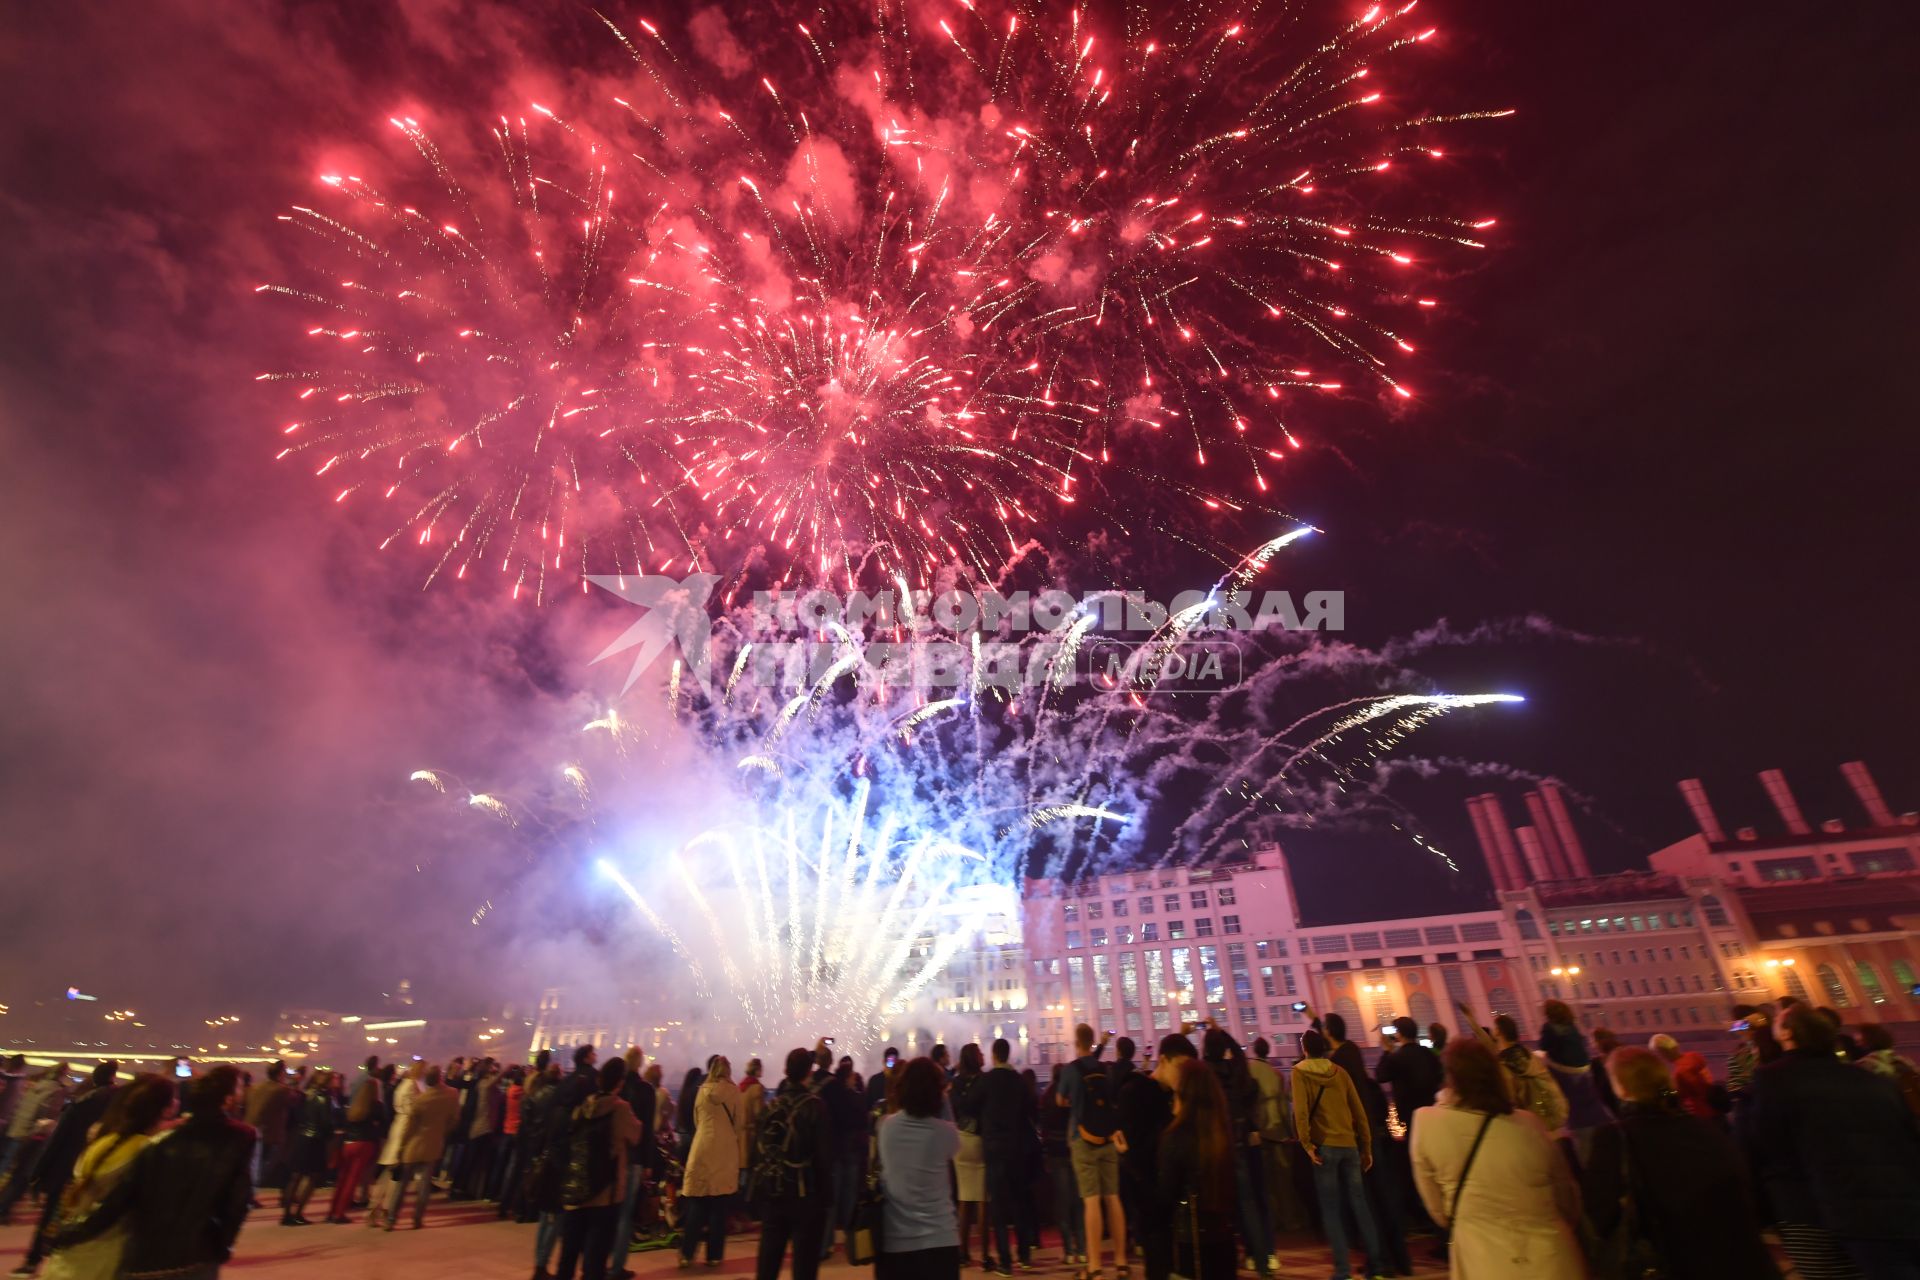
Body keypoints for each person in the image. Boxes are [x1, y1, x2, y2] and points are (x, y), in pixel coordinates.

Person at [1739, 1003, 1920, 1277]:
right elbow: (1908, 1139)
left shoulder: (1771, 1081)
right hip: (1901, 1208)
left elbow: (1765, 1149)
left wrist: (1761, 1212)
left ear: (1788, 1034)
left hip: (1815, 1211)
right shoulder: (1872, 1080)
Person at [1582, 1045, 1778, 1278]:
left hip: (1677, 1263)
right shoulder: (1702, 1127)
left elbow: (1598, 1212)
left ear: (1622, 1089)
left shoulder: (1615, 1138)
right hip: (1744, 1259)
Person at [47, 1065, 255, 1280]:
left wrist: (70, 1234)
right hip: (195, 1255)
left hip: (142, 1257)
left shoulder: (156, 1143)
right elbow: (238, 1202)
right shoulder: (239, 1137)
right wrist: (222, 1246)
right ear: (228, 1099)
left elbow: (118, 1201)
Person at [1410, 1039, 1583, 1280]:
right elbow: (1566, 1198)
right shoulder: (1530, 1124)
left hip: (1482, 1258)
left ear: (1450, 1076)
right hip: (1551, 1257)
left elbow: (1438, 1209)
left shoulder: (1426, 1123)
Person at [38, 1073, 173, 1280]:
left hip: (70, 1248)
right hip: (106, 1249)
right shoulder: (146, 1150)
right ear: (164, 1109)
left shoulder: (103, 1142)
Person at [1292, 1030, 1387, 1280]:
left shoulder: (1299, 1072)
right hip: (1349, 1146)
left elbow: (1300, 1112)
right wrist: (1365, 1147)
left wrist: (1307, 1145)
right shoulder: (1340, 1072)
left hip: (1324, 1147)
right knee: (1360, 1206)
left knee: (1331, 1210)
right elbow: (1358, 1110)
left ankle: (1342, 1271)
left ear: (1304, 1049)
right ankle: (1375, 1267)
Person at [8, 1061, 118, 1274]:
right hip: (93, 1170)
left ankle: (33, 1261)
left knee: (51, 1215)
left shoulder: (80, 1103)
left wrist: (38, 1173)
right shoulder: (117, 1104)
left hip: (67, 1168)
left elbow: (57, 1141)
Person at [554, 1057, 640, 1280]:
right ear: (620, 1082)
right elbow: (635, 1135)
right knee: (596, 1258)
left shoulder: (584, 1106)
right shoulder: (620, 1108)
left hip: (578, 1186)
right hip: (605, 1191)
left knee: (568, 1253)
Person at [750, 1047, 833, 1280]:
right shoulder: (815, 1106)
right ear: (809, 1072)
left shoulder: (770, 1107)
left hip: (773, 1192)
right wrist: (827, 1198)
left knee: (768, 1262)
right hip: (805, 1194)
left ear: (786, 1071)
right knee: (804, 1265)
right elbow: (824, 1158)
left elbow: (756, 1151)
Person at [875, 1057, 961, 1280]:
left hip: (896, 1240)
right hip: (941, 1239)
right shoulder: (945, 1133)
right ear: (938, 1092)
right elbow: (953, 1137)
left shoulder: (886, 1127)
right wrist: (944, 1102)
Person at [1156, 1057, 1240, 1280]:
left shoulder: (1175, 1138)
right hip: (1223, 1239)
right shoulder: (1222, 1134)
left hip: (1189, 1241)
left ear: (1185, 1095)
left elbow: (1165, 1195)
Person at [1201, 1027, 1273, 1279]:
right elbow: (1241, 1057)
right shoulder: (1236, 1070)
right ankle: (1263, 1263)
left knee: (1217, 1209)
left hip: (1214, 1148)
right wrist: (1223, 1033)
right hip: (1239, 1145)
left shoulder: (1205, 1072)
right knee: (1248, 1204)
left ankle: (1223, 1264)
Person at [1056, 1023, 1127, 1280]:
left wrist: (1072, 1100)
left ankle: (1095, 1267)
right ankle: (1121, 1263)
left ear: (1076, 1041)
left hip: (1082, 1138)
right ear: (1092, 1040)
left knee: (1092, 1201)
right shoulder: (1104, 1068)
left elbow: (1059, 1100)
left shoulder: (1070, 1070)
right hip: (1107, 1139)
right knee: (1113, 1197)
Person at [981, 1038, 1039, 1275]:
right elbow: (1031, 1110)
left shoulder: (986, 1080)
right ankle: (1024, 1255)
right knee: (1019, 1203)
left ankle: (1005, 1262)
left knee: (998, 1208)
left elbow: (968, 1104)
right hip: (1016, 1148)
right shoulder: (1018, 1081)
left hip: (994, 1149)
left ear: (994, 1055)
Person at [679, 1055, 743, 1269]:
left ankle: (687, 1254)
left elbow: (697, 1120)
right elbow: (739, 1123)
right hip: (724, 1151)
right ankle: (714, 1255)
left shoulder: (702, 1091)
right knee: (719, 1206)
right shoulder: (734, 1092)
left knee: (697, 1204)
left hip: (702, 1147)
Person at [378, 1064, 459, 1231]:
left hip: (414, 1146)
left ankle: (391, 1219)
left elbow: (409, 1128)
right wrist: (441, 1132)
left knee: (402, 1185)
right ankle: (417, 1219)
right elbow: (454, 1119)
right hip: (434, 1144)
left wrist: (400, 1148)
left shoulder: (421, 1101)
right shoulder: (452, 1094)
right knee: (424, 1186)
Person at [1539, 1001, 1612, 1162]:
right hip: (1583, 1070)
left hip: (1563, 1070)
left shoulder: (1548, 1028)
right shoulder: (1572, 1026)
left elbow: (1543, 1046)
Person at [609, 1049, 656, 1280]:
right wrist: (649, 1162)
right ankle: (617, 1265)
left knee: (609, 1210)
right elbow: (647, 1129)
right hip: (635, 1158)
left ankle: (601, 1260)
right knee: (625, 1214)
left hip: (613, 1156)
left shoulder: (615, 1088)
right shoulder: (645, 1089)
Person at [818, 1057, 870, 1264]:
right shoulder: (851, 1097)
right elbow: (861, 1119)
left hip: (834, 1151)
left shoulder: (828, 1095)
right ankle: (851, 1240)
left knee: (831, 1200)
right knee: (848, 1199)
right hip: (850, 1151)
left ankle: (826, 1244)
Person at [1039, 1064, 1087, 1266]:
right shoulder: (1073, 1095)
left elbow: (1043, 1127)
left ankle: (1068, 1250)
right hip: (1075, 1151)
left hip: (1056, 1155)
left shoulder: (1047, 1096)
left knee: (1062, 1203)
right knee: (1079, 1201)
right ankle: (1083, 1249)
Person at [327, 1056, 385, 1225]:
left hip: (348, 1142)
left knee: (342, 1179)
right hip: (364, 1143)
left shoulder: (353, 1107)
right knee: (352, 1181)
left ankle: (332, 1211)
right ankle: (339, 1214)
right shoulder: (374, 1107)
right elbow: (381, 1120)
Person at [950, 1042, 991, 1267]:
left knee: (964, 1199)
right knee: (983, 1200)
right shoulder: (984, 1081)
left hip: (960, 1139)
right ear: (976, 1058)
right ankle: (985, 1254)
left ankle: (962, 1252)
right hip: (978, 1140)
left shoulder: (956, 1082)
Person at [279, 1069, 337, 1226]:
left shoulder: (305, 1095)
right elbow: (326, 1123)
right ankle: (298, 1213)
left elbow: (297, 1115)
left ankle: (286, 1214)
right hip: (315, 1140)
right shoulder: (324, 1098)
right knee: (312, 1178)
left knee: (295, 1176)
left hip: (301, 1137)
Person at [1494, 1014, 1568, 1132]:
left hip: (1530, 1126)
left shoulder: (1505, 1064)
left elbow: (1510, 1098)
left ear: (1498, 1031)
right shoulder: (1528, 1055)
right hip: (1550, 1118)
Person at [1375, 1016, 1443, 1134]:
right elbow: (1439, 1076)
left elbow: (1380, 1076)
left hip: (1409, 1114)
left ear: (1399, 1034)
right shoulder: (1427, 1053)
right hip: (1432, 1108)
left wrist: (1386, 1050)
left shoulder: (1396, 1058)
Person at [243, 1061, 294, 1196]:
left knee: (253, 1166)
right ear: (280, 1073)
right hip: (270, 1135)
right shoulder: (282, 1090)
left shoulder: (256, 1088)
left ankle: (248, 1194)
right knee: (264, 1167)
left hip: (251, 1130)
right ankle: (248, 1195)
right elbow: (295, 1101)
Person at [1856, 1024, 1920, 1117]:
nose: (1857, 1044)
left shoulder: (1864, 1064)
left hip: (1886, 1114)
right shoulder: (1904, 1061)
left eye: (1859, 1041)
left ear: (1866, 1041)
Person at [1648, 1034, 1715, 1121]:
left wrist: (1664, 1093)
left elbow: (1682, 1092)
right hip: (1713, 1107)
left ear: (1664, 1052)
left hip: (1699, 1113)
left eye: (1658, 1054)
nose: (1660, 1058)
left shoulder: (1681, 1071)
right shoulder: (1694, 1056)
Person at [1588, 1029, 1621, 1116]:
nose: (1591, 1045)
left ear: (1597, 1042)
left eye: (1592, 1041)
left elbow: (1599, 1087)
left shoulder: (1597, 1063)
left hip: (1613, 1101)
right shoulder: (1626, 1052)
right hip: (1631, 1099)